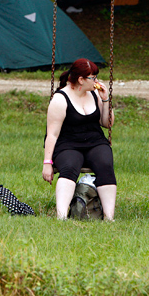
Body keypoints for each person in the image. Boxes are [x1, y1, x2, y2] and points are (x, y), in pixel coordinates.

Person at [43, 58, 116, 220]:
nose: (96, 81)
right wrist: (47, 163)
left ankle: (109, 217)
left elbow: (107, 124)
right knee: (69, 167)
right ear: (81, 80)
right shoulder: (60, 99)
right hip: (68, 144)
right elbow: (52, 134)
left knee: (105, 165)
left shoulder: (94, 93)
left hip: (95, 141)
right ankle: (61, 216)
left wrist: (105, 99)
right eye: (93, 78)